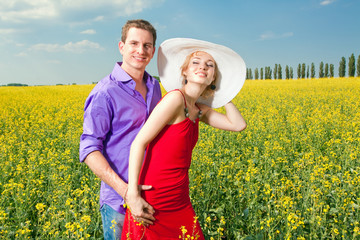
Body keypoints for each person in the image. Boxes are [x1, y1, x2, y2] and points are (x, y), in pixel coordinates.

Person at [121, 38, 247, 239]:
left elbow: (238, 125)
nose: (202, 67)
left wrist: (224, 93)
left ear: (213, 77)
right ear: (185, 71)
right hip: (154, 196)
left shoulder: (200, 110)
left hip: (179, 198)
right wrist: (133, 195)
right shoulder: (175, 99)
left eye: (210, 65)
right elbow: (139, 143)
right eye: (195, 62)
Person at [79, 19, 162, 239]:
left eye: (147, 45)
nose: (140, 50)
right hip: (119, 202)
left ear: (153, 51)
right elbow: (89, 150)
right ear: (121, 46)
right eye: (134, 43)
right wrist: (127, 192)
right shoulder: (105, 92)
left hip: (153, 197)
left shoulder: (155, 87)